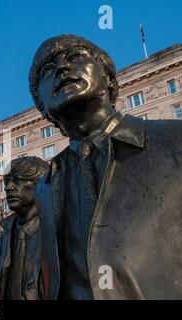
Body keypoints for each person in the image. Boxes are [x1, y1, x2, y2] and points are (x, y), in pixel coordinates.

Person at [29, 34, 182, 299]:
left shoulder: (175, 140)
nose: (63, 68)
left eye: (75, 57)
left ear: (109, 77)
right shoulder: (46, 185)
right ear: (42, 108)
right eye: (48, 70)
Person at [0, 157, 48, 300]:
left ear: (40, 184)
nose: (8, 187)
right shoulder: (3, 240)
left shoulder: (57, 233)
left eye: (18, 180)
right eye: (7, 181)